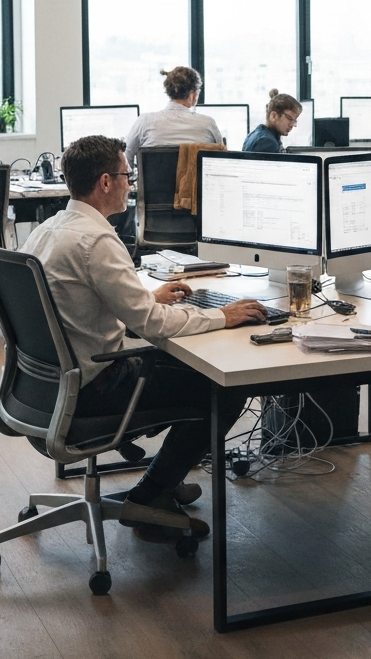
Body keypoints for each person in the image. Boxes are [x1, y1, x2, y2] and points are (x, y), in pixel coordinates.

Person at [23, 135, 267, 540]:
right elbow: (154, 326)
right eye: (125, 175)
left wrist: (143, 297)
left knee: (183, 365)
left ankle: (164, 484)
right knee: (221, 387)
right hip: (93, 389)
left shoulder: (50, 229)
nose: (130, 183)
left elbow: (77, 298)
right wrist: (221, 316)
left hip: (42, 388)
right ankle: (152, 493)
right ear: (105, 182)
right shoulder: (98, 240)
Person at [125, 67, 222, 168]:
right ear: (193, 95)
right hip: (195, 184)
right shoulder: (208, 124)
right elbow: (224, 160)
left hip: (155, 183)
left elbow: (127, 158)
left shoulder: (144, 121)